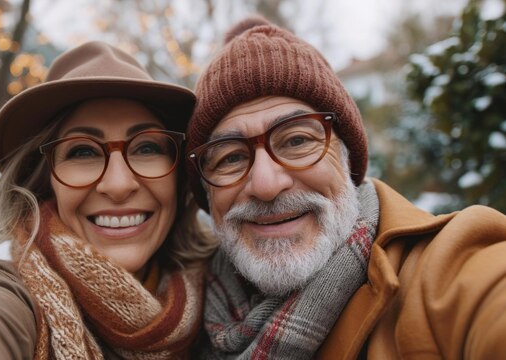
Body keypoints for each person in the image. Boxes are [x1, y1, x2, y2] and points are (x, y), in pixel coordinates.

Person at [185, 16, 506, 359]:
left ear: (347, 159)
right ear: (207, 193)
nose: (266, 184)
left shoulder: (449, 272)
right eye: (230, 158)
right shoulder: (182, 320)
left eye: (296, 140)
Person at [0, 41, 215, 359]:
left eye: (147, 148)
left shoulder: (227, 295)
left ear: (178, 173)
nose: (118, 184)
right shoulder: (9, 294)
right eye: (83, 151)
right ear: (43, 181)